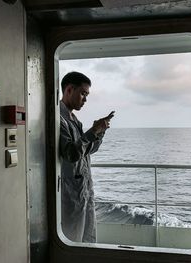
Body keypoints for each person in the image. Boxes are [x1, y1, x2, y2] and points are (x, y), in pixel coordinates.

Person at [59, 71, 113, 242]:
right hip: (71, 193)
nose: (85, 99)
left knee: (87, 240)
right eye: (83, 93)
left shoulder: (74, 120)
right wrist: (92, 131)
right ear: (69, 90)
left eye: (87, 95)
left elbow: (87, 150)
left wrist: (99, 132)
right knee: (73, 241)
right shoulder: (60, 120)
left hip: (83, 190)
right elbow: (71, 153)